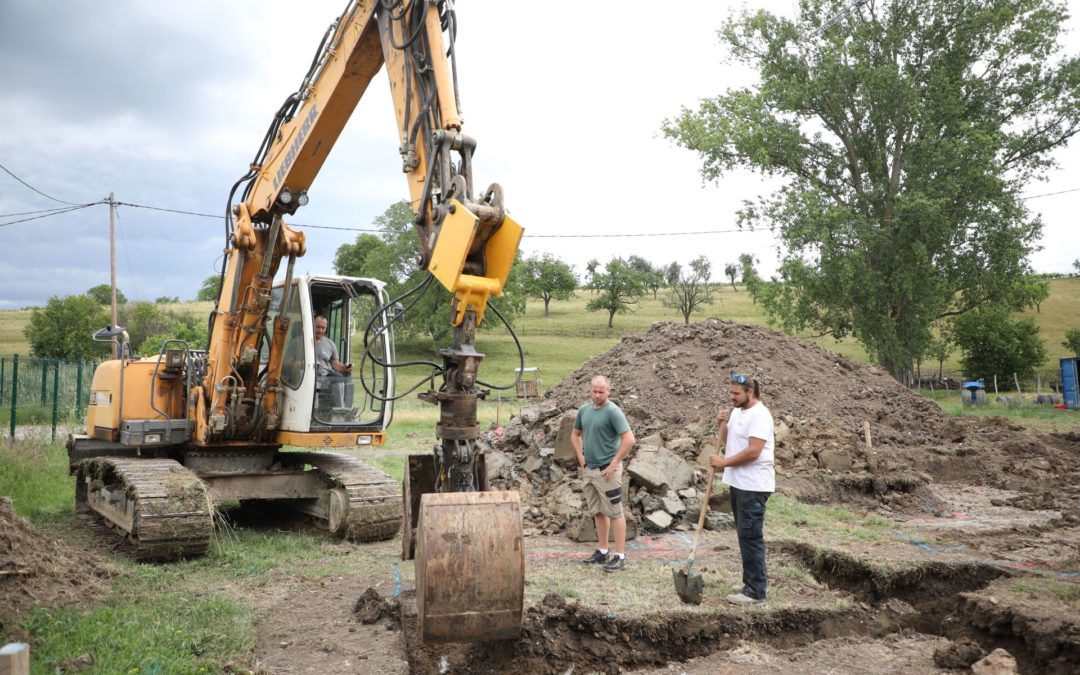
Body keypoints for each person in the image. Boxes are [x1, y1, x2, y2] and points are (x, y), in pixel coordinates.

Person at [710, 373, 775, 606]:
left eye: (736, 394)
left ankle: (756, 591)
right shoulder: (737, 411)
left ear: (750, 391)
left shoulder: (760, 415)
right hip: (739, 482)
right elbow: (731, 440)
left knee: (751, 536)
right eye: (730, 393)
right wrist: (723, 425)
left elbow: (753, 451)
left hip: (754, 485)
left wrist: (724, 463)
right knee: (744, 534)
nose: (732, 397)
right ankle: (751, 583)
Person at [572, 375, 636, 573]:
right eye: (594, 391)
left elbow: (629, 439)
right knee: (598, 511)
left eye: (601, 392)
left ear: (609, 391)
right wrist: (581, 459)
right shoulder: (584, 410)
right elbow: (575, 435)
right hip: (590, 470)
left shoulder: (613, 412)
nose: (597, 395)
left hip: (607, 472)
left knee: (615, 513)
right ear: (590, 390)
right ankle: (602, 550)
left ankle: (620, 555)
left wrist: (614, 463)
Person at [313, 314, 353, 409]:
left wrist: (345, 367)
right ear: (312, 325)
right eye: (318, 327)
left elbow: (335, 364)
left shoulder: (330, 344)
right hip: (306, 375)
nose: (321, 330)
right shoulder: (300, 341)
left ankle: (340, 410)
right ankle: (314, 412)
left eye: (323, 328)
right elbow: (289, 362)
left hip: (325, 376)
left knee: (339, 379)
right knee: (313, 383)